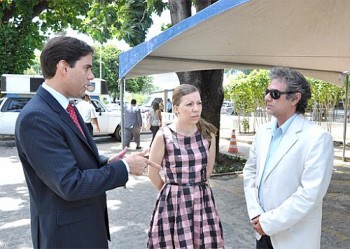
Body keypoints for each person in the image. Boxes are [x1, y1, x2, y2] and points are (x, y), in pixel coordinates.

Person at [15, 36, 160, 249]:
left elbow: (70, 160)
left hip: (84, 229)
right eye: (87, 68)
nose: (91, 76)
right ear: (63, 67)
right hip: (66, 238)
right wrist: (125, 167)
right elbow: (70, 184)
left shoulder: (65, 107)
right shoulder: (36, 117)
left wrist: (107, 162)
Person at [243, 67, 334, 249]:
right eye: (267, 92)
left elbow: (310, 194)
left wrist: (268, 222)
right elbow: (250, 172)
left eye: (275, 93)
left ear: (295, 98)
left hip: (293, 238)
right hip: (261, 233)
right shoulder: (263, 132)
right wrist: (255, 214)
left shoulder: (317, 138)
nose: (267, 98)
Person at [147, 84, 225, 248]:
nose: (196, 109)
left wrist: (193, 191)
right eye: (189, 104)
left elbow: (208, 171)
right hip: (173, 203)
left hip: (202, 200)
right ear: (176, 108)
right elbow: (152, 174)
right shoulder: (164, 135)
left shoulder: (208, 133)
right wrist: (172, 193)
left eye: (199, 103)